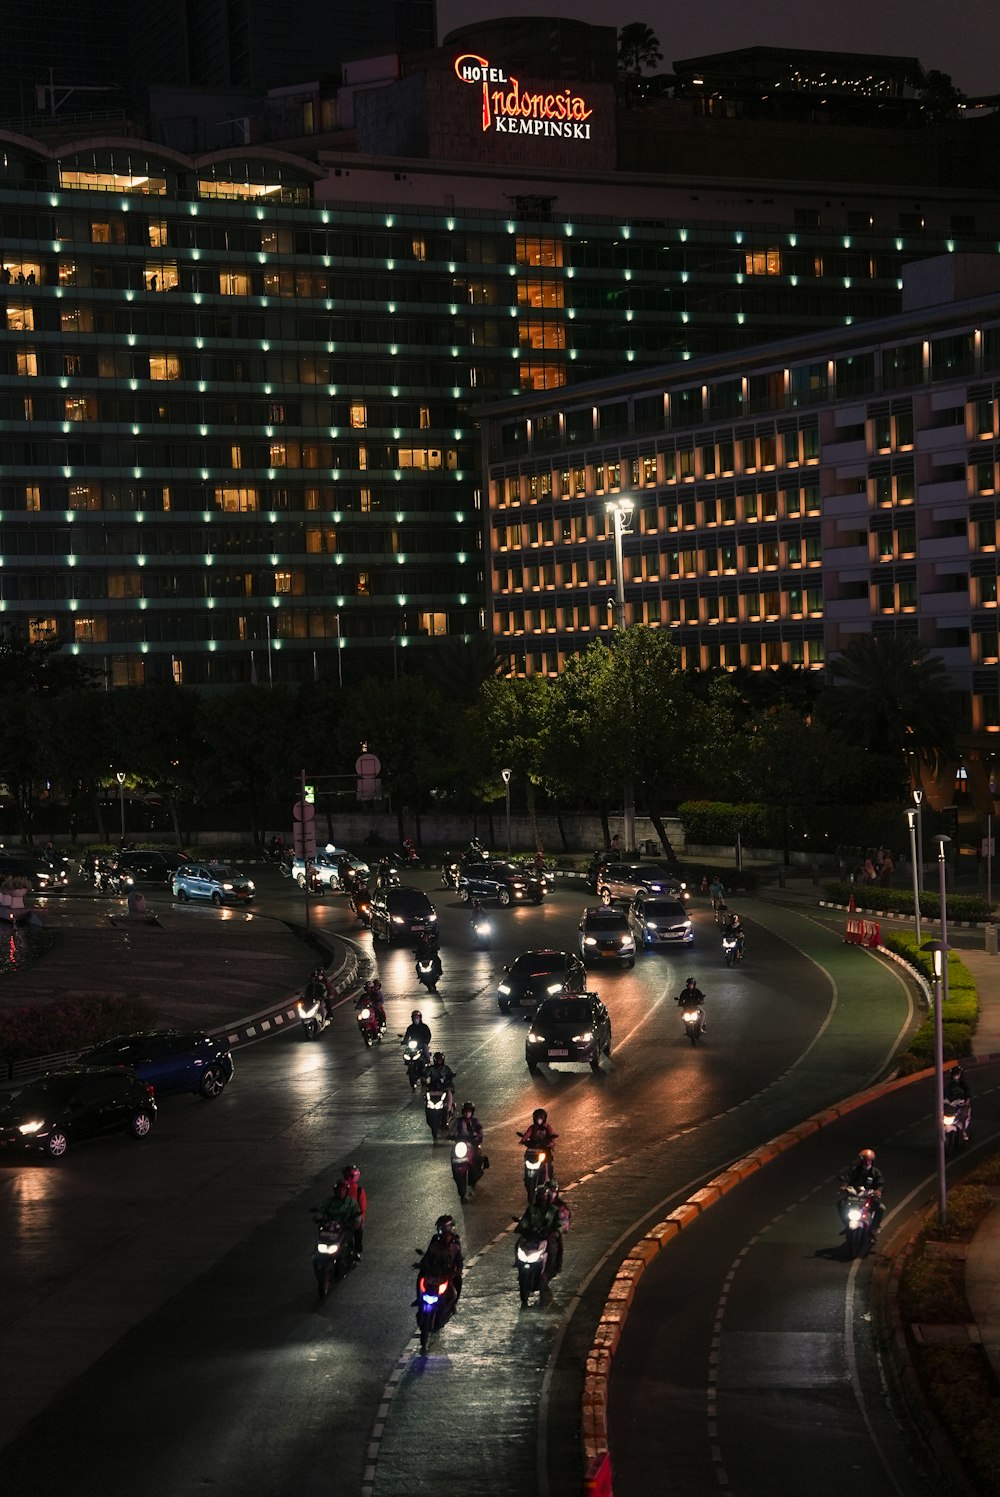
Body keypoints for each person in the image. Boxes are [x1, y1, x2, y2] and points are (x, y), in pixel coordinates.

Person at [516, 1182, 563, 1277]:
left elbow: (559, 1223)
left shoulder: (553, 1210)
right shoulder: (531, 1209)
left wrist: (556, 1232)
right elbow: (526, 1219)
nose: (542, 1198)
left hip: (546, 1235)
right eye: (540, 1196)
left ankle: (551, 1270)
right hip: (532, 1235)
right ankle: (518, 1264)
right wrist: (521, 1227)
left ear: (548, 1197)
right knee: (518, 1244)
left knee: (552, 1249)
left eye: (544, 1196)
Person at [838, 1147, 885, 1236]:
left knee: (881, 1208)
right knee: (840, 1204)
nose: (867, 1162)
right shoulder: (855, 1170)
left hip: (868, 1197)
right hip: (854, 1197)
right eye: (865, 1160)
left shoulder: (876, 1172)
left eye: (869, 1160)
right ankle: (847, 1223)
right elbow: (847, 1178)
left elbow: (880, 1184)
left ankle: (874, 1228)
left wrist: (878, 1191)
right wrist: (844, 1186)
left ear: (872, 1161)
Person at [418, 1214, 464, 1301]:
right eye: (441, 1228)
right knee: (421, 1275)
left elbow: (458, 1257)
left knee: (458, 1280)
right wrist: (422, 1264)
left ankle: (454, 1302)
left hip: (448, 1271)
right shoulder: (435, 1239)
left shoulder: (455, 1241)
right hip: (435, 1270)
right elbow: (429, 1254)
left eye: (445, 1228)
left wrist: (458, 1269)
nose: (443, 1231)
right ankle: (419, 1298)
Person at [319, 1179, 362, 1255]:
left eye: (343, 1190)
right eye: (339, 1190)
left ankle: (356, 1250)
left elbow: (357, 1213)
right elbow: (321, 1210)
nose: (341, 1192)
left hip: (346, 1226)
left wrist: (356, 1222)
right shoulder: (329, 1201)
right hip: (331, 1226)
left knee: (358, 1230)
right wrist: (319, 1217)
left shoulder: (351, 1202)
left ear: (346, 1191)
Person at [341, 1164, 367, 1256]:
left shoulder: (341, 1187)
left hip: (345, 1217)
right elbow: (362, 1208)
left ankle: (356, 1251)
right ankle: (357, 1251)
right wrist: (362, 1221)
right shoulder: (358, 1190)